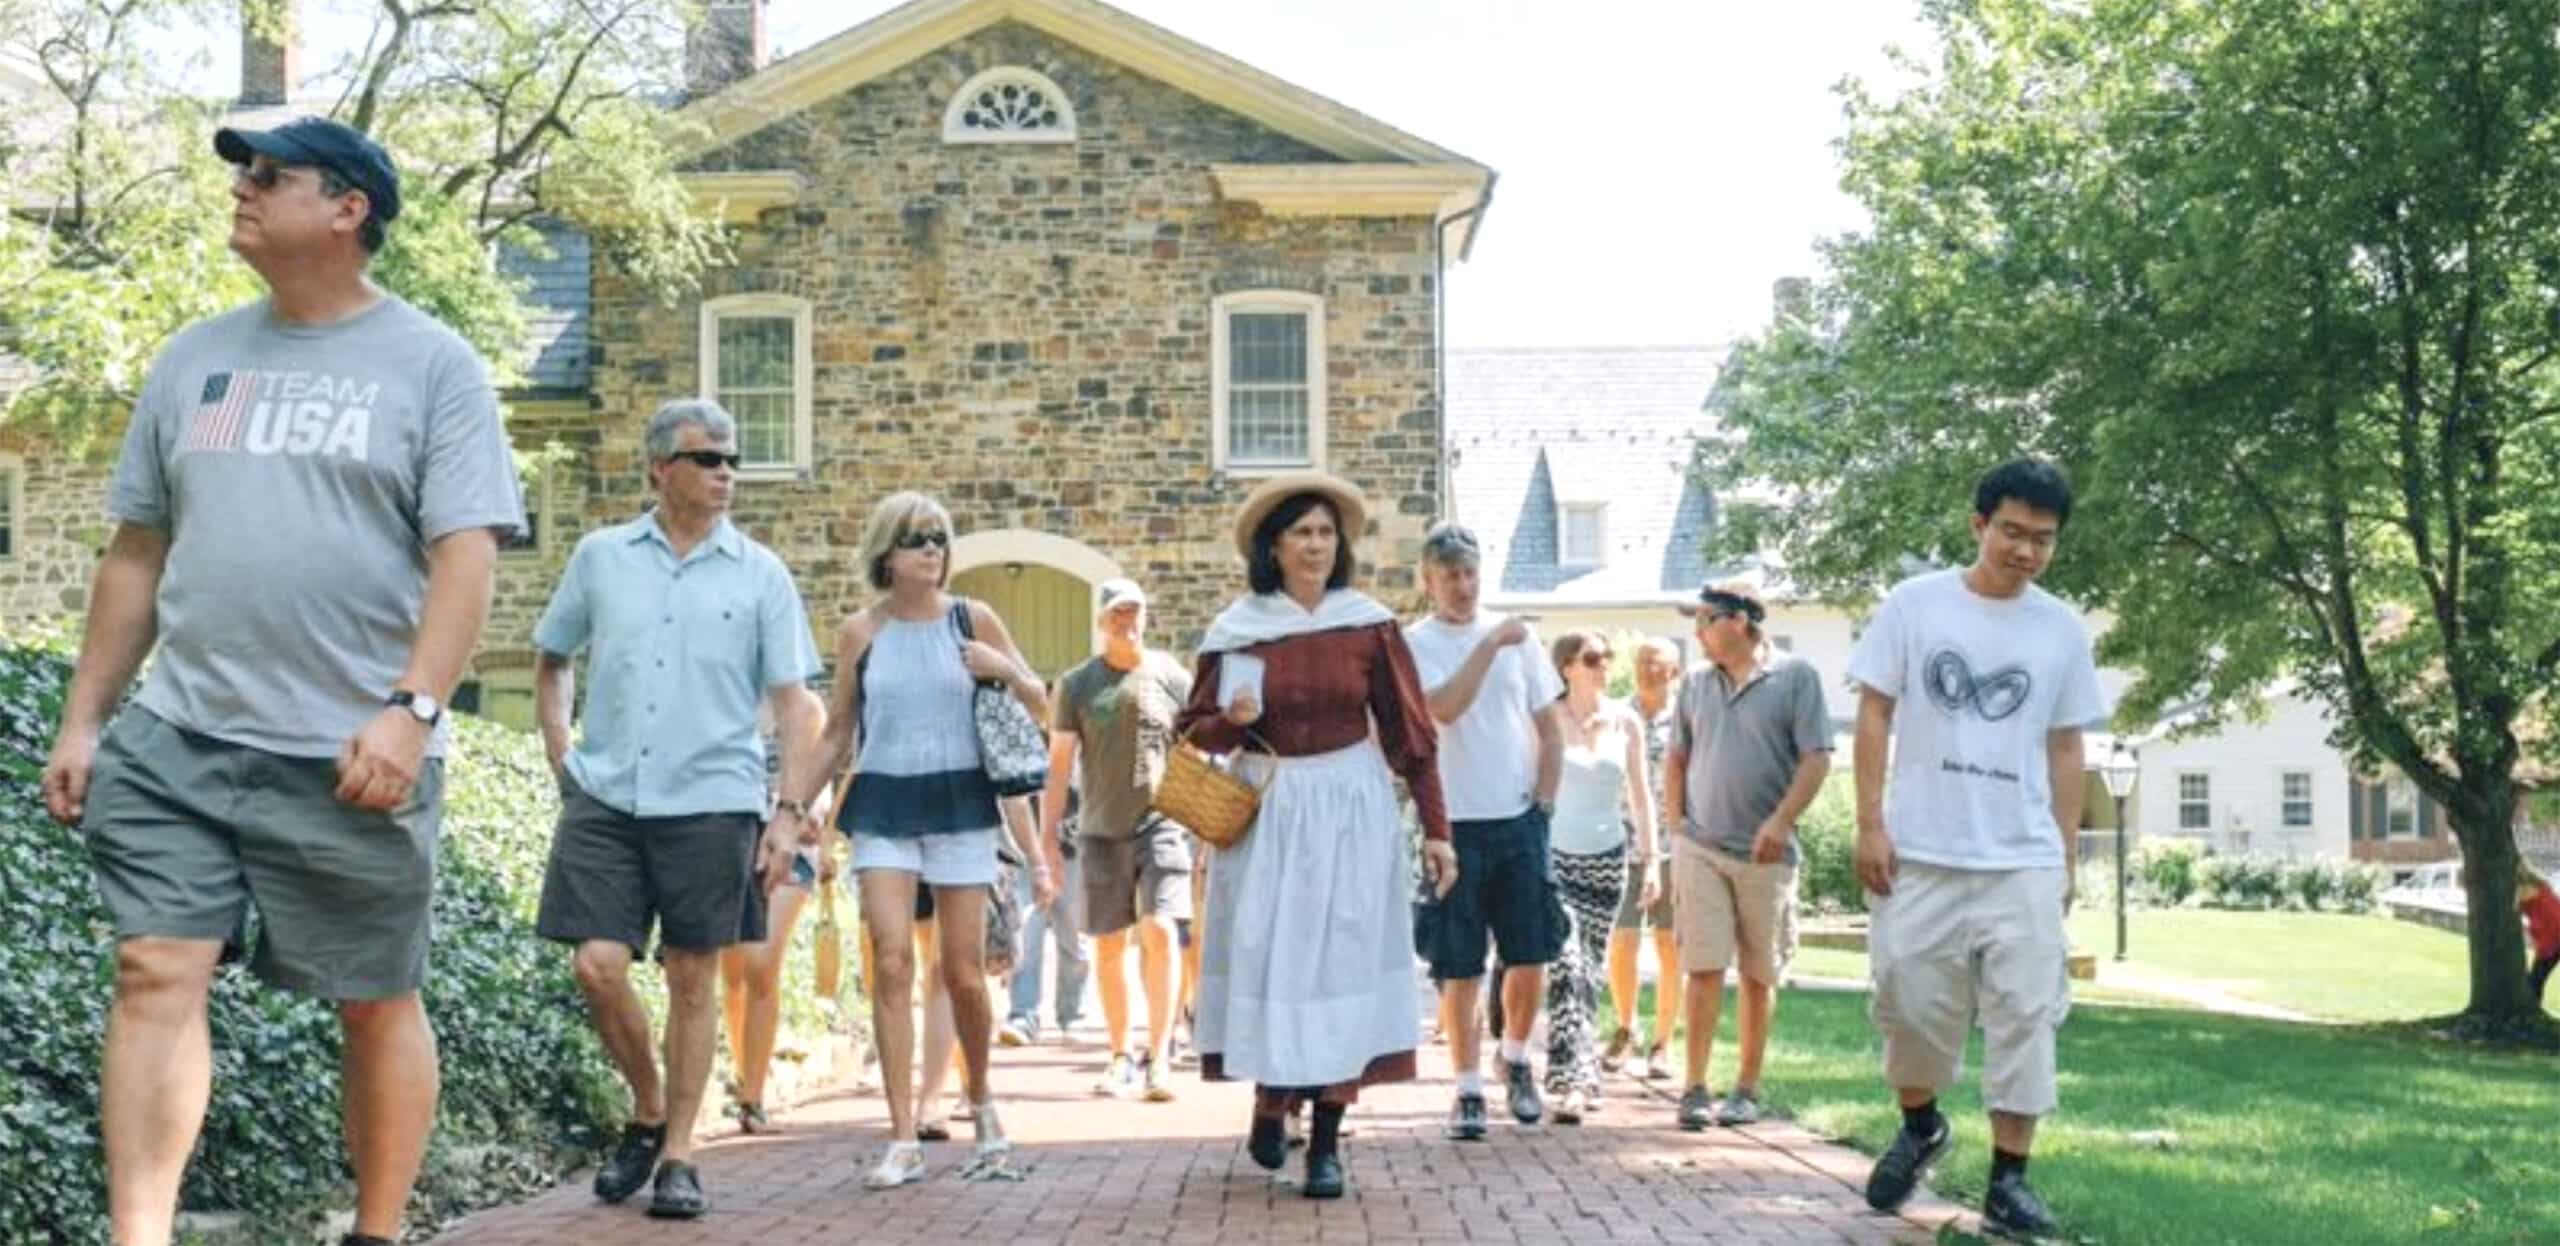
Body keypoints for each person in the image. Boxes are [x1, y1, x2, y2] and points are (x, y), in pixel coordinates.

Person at [40, 116, 521, 1246]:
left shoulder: (434, 365)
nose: (244, 193)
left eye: (270, 176)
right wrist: (83, 717)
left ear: (349, 208)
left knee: (373, 998)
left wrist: (410, 712)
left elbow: (468, 555)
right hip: (182, 733)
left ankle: (378, 1230)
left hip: (351, 748)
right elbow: (136, 552)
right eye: (243, 176)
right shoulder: (192, 357)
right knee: (158, 966)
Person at [529, 398, 824, 1219]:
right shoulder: (600, 558)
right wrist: (562, 755)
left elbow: (798, 707)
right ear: (661, 468)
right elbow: (552, 658)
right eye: (707, 458)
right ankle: (650, 1107)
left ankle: (681, 1155)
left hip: (713, 801)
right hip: (609, 796)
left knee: (694, 977)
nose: (726, 471)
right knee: (597, 965)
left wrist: (787, 812)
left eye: (730, 459)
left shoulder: (760, 573)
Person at [1847, 459, 2109, 1239]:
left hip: (2020, 858)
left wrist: (2062, 854)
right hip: (1921, 851)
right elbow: (1873, 714)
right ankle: (1922, 1123)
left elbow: (2068, 748)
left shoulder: (2061, 628)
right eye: (2012, 532)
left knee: (2026, 1014)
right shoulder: (1914, 606)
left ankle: (2009, 1180)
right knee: (1908, 1005)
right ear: (1978, 525)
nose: (2026, 551)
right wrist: (1869, 822)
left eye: (2043, 539)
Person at [1177, 471, 1456, 1200]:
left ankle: (1328, 1134)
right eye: (1301, 532)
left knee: (1340, 960)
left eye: (1326, 533)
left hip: (1349, 805)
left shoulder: (1367, 624)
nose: (1315, 544)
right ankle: (1272, 1097)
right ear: (1273, 546)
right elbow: (1192, 729)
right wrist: (1229, 722)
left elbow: (1410, 735)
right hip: (1269, 807)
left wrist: (1437, 830)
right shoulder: (1241, 626)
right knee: (1273, 954)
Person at [783, 492, 1055, 1190]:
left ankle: (984, 1104)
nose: (930, 550)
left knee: (962, 971)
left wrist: (1007, 672)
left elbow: (1042, 705)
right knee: (892, 958)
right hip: (883, 803)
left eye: (938, 538)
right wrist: (791, 807)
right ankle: (902, 1134)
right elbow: (840, 730)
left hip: (963, 802)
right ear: (886, 553)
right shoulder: (860, 633)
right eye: (914, 539)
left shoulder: (975, 619)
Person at [1403, 520, 1566, 1138]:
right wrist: (1490, 643)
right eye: (1450, 576)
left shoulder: (1520, 641)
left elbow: (1550, 729)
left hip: (1518, 820)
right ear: (1429, 581)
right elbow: (1442, 708)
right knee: (1461, 965)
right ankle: (1467, 1088)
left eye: (1470, 573)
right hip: (1453, 825)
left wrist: (1543, 807)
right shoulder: (1414, 643)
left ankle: (1517, 1058)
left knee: (1530, 955)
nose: (1464, 586)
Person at [1662, 581, 1831, 1131]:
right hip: (1701, 847)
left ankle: (1746, 1088)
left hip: (1767, 854)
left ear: (1739, 621)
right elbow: (1677, 758)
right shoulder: (1694, 684)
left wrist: (1781, 822)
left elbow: (1816, 759)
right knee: (1703, 966)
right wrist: (1676, 826)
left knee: (1759, 975)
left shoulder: (1796, 678)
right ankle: (1694, 1088)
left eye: (1705, 620)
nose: (1698, 633)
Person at [1041, 577, 1196, 1101]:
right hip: (1100, 829)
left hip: (1163, 823)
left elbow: (1199, 752)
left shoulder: (1173, 676)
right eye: (1116, 614)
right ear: (1101, 622)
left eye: (1134, 612)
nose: (1126, 622)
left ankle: (1160, 1056)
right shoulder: (1078, 684)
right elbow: (1059, 768)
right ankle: (1119, 1055)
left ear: (1146, 616)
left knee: (1160, 929)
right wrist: (1047, 845)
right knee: (1109, 945)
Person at [1539, 632, 1656, 1124]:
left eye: (1608, 658)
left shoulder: (1626, 721)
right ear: (1567, 666)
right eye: (1593, 659)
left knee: (1591, 967)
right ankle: (1576, 1079)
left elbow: (1641, 794)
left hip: (1607, 860)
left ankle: (1572, 1074)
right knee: (1566, 963)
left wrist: (1650, 860)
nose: (1604, 666)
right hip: (1555, 857)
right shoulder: (1544, 717)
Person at [1607, 637, 1684, 1081]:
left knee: (1670, 944)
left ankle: (1663, 1042)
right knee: (1623, 941)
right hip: (1624, 841)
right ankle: (1625, 1026)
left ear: (1673, 670)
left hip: (1676, 844)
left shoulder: (1689, 717)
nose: (1646, 669)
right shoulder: (1619, 714)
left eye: (1655, 663)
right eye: (1640, 661)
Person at [1000, 779, 1089, 1047]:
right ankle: (1023, 1015)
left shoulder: (1074, 737)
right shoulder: (1024, 736)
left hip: (1073, 841)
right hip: (1024, 843)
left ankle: (1073, 1014)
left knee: (1074, 935)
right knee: (1026, 933)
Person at [2521, 865, 2558, 1008]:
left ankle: (2532, 1010)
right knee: (2536, 979)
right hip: (2551, 937)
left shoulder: (2526, 890)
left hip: (2552, 938)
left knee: (2535, 980)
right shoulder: (2541, 886)